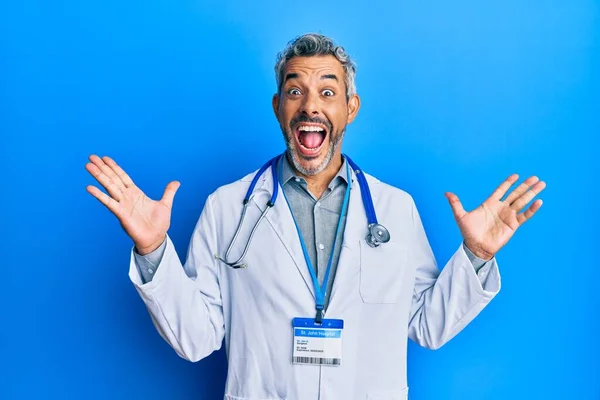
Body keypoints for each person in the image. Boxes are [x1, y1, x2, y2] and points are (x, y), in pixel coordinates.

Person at [85, 33, 545, 400]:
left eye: (328, 91)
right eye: (295, 91)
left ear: (350, 108)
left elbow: (426, 325)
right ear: (278, 108)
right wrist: (152, 251)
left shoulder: (394, 209)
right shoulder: (227, 207)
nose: (310, 105)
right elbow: (197, 338)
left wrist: (477, 256)